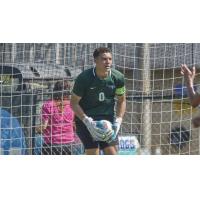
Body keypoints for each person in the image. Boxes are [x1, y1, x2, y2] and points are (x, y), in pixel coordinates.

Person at [70, 47, 126, 155]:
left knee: (112, 152)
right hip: (85, 120)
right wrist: (87, 121)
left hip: (107, 120)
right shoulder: (84, 78)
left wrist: (118, 120)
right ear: (95, 60)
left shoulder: (118, 77)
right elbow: (73, 103)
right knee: (93, 152)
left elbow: (122, 100)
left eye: (110, 59)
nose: (108, 62)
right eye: (104, 59)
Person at [36, 80, 76, 155]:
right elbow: (74, 124)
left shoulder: (48, 105)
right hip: (69, 143)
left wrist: (35, 129)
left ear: (55, 90)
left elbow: (44, 126)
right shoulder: (72, 105)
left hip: (52, 143)